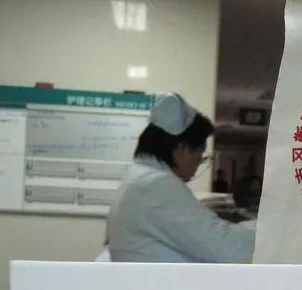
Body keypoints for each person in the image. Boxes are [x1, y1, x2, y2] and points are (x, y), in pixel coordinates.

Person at [108, 92, 255, 263]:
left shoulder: (140, 175)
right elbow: (222, 245)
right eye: (200, 154)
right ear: (182, 149)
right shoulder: (157, 185)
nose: (199, 162)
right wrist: (269, 230)